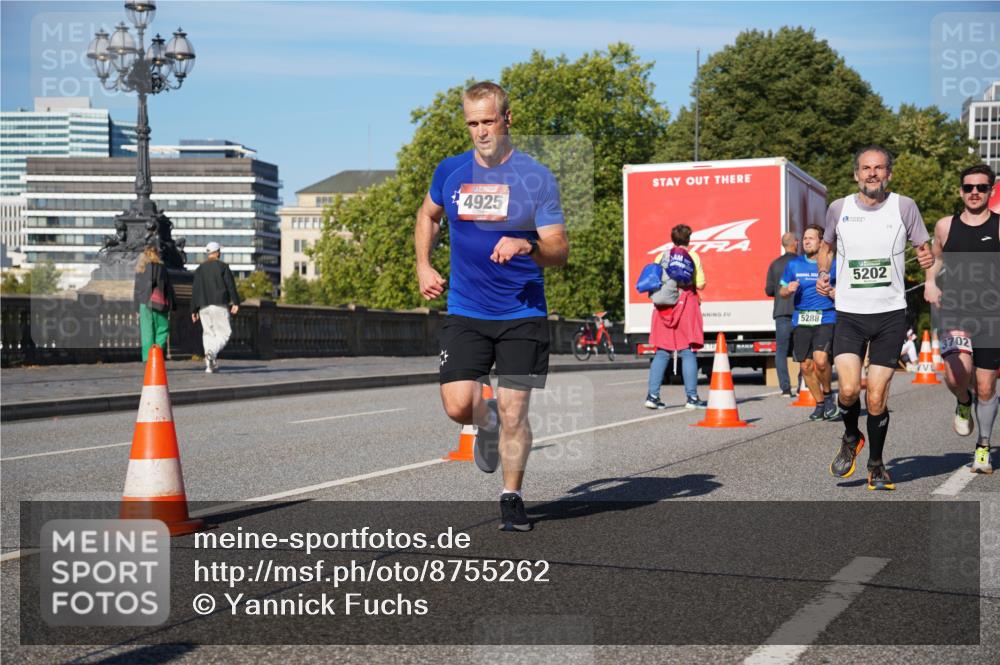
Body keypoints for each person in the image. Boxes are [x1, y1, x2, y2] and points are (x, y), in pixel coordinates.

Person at [415, 81, 569, 532]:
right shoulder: (451, 171)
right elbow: (427, 215)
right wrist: (423, 265)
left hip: (521, 313)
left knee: (516, 411)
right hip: (466, 310)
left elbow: (559, 250)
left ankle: (512, 496)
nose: (480, 131)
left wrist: (528, 245)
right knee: (459, 406)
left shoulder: (536, 177)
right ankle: (484, 424)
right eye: (472, 123)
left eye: (488, 121)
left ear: (507, 119)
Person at [817, 145, 934, 490]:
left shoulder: (904, 206)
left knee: (877, 396)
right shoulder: (839, 208)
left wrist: (929, 271)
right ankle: (852, 436)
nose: (872, 173)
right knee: (850, 390)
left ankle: (877, 465)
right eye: (866, 168)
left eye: (879, 168)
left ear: (888, 174)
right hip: (850, 313)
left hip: (890, 315)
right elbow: (826, 247)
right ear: (856, 174)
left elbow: (924, 249)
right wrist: (824, 274)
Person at [924, 164, 1000, 474]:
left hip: (992, 317)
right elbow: (935, 258)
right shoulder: (945, 226)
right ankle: (962, 400)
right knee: (957, 375)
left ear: (990, 191)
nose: (974, 192)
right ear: (960, 191)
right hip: (955, 310)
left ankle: (983, 446)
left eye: (981, 187)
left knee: (986, 388)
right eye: (968, 187)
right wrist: (930, 282)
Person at [645, 224, 707, 410]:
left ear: (672, 238)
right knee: (687, 351)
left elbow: (653, 279)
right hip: (685, 305)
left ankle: (653, 396)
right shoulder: (693, 256)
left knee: (662, 351)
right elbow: (701, 284)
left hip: (664, 307)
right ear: (689, 239)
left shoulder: (661, 256)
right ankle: (692, 398)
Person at [780, 224, 838, 421]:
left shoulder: (833, 264)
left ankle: (829, 396)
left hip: (826, 316)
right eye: (805, 238)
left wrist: (834, 293)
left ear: (821, 242)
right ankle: (820, 403)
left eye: (811, 238)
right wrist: (788, 290)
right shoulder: (794, 265)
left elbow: (845, 291)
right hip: (802, 318)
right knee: (805, 366)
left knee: (821, 361)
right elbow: (781, 291)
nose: (806, 241)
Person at [191, 241, 241, 374]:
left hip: (203, 306)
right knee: (225, 333)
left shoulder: (199, 269)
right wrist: (235, 302)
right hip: (219, 304)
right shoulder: (223, 266)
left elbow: (195, 290)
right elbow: (230, 285)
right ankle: (212, 353)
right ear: (218, 252)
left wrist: (193, 310)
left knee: (208, 334)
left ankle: (210, 366)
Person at [766, 232, 799, 397]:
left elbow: (769, 290)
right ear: (796, 243)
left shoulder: (775, 264)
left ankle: (785, 388)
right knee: (803, 349)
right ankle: (803, 385)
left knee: (781, 350)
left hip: (781, 312)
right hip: (801, 311)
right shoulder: (801, 263)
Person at [133, 239, 175, 362]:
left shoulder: (140, 270)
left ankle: (147, 359)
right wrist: (172, 305)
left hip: (143, 304)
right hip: (159, 303)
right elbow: (167, 287)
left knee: (147, 332)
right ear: (156, 254)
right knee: (162, 329)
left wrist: (136, 308)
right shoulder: (161, 268)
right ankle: (157, 355)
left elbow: (136, 290)